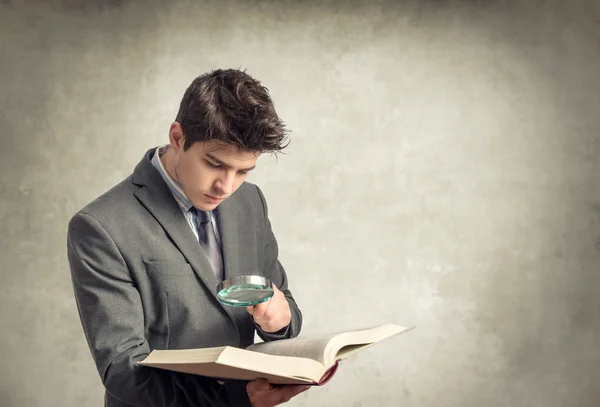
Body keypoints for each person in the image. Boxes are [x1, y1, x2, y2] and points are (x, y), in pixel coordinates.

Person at [66, 69, 309, 407]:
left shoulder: (250, 202)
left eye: (242, 171)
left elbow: (285, 309)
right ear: (177, 137)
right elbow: (123, 369)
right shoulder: (100, 226)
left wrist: (279, 322)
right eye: (214, 164)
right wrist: (234, 398)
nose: (226, 187)